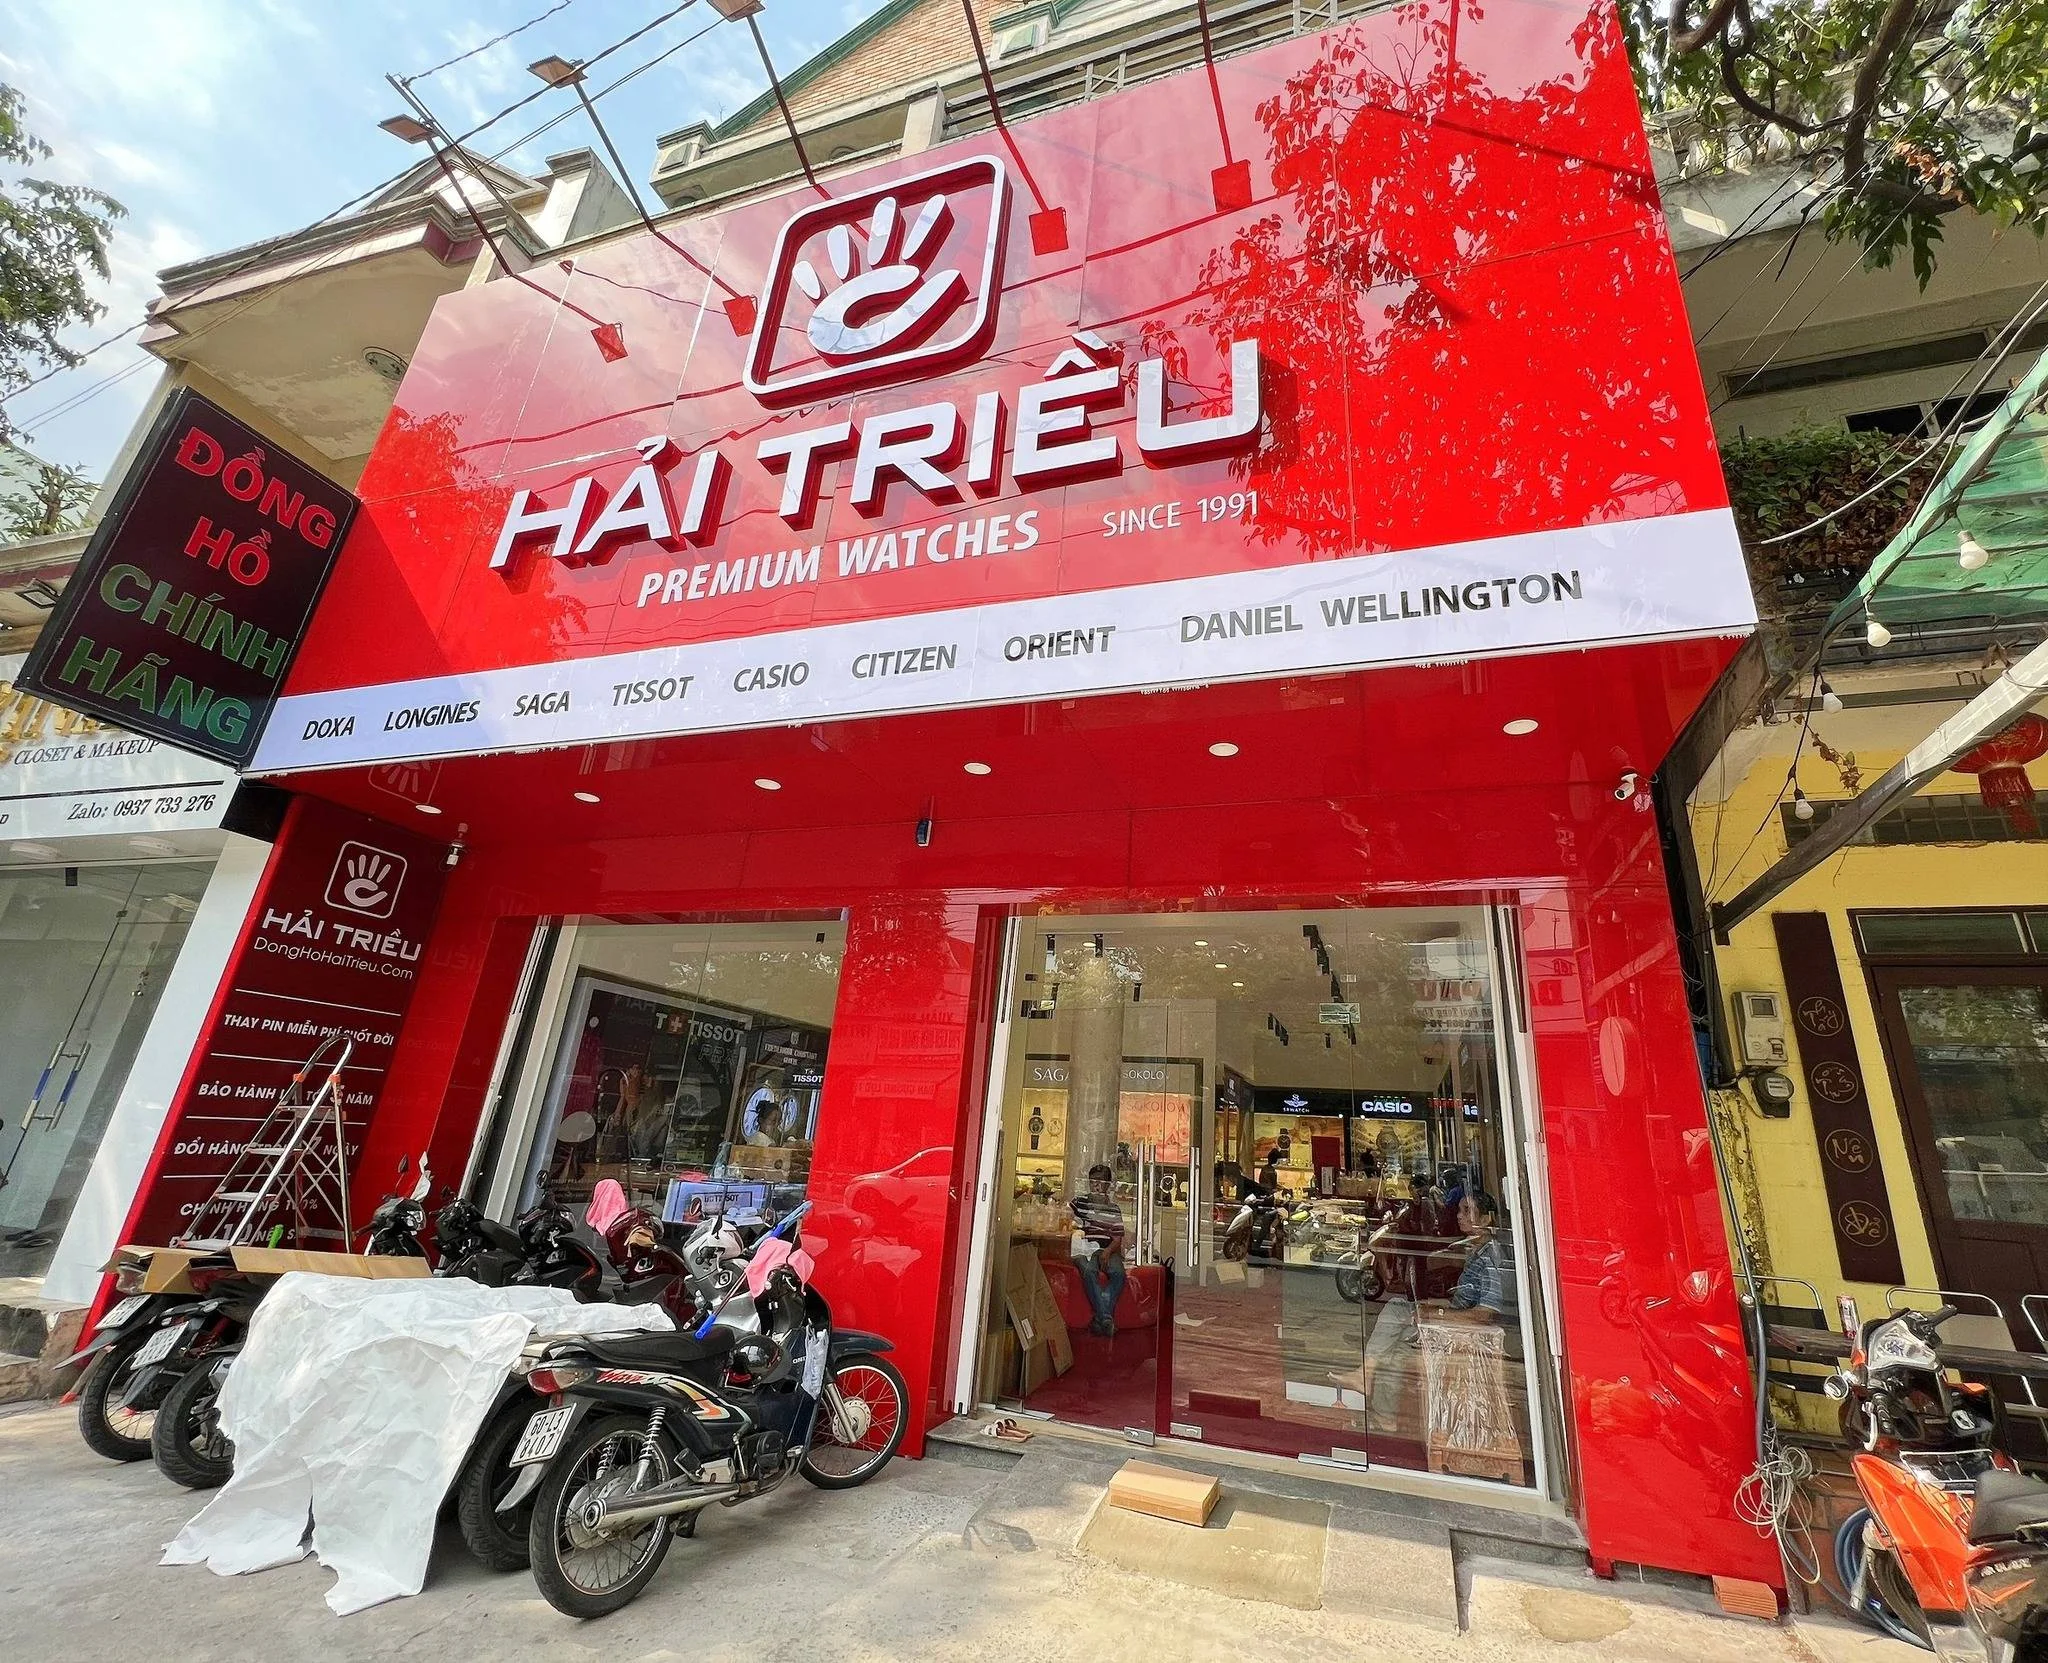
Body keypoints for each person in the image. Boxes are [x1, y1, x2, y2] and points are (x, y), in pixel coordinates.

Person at [1069, 1162, 1128, 1337]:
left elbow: (1117, 1239)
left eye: (1101, 1181)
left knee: (1119, 1274)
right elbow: (1067, 1222)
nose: (1096, 1185)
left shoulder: (1113, 1208)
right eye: (1093, 1181)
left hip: (1107, 1247)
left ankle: (1099, 1319)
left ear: (1108, 1185)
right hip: (1084, 1247)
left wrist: (1107, 1252)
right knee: (1089, 1271)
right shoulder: (1078, 1202)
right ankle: (1106, 1318)